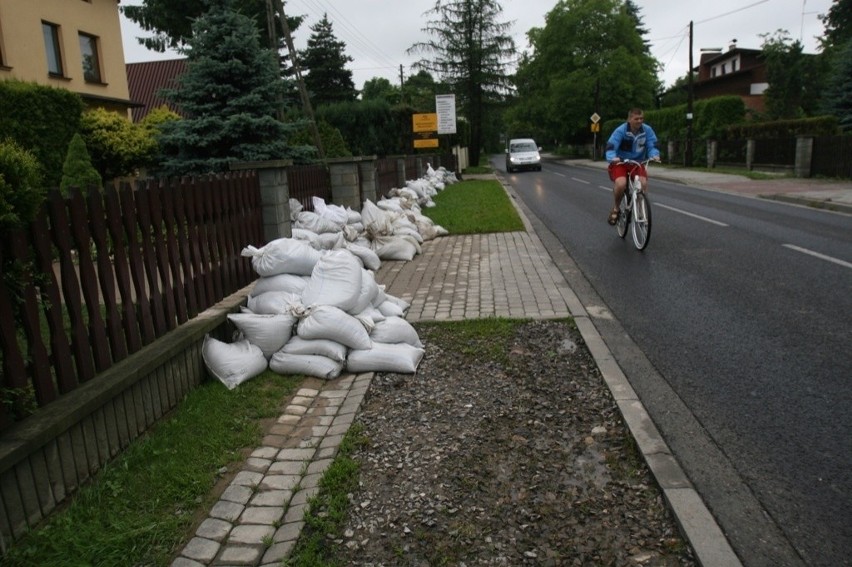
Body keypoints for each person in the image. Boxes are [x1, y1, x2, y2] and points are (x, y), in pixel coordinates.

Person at [604, 108, 661, 225]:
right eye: (636, 119)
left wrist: (654, 155)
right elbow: (611, 146)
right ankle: (616, 208)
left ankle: (640, 210)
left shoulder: (647, 130)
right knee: (621, 184)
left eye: (641, 118)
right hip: (621, 162)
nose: (640, 121)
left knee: (643, 183)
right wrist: (612, 157)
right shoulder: (621, 131)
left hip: (637, 162)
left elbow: (652, 144)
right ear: (629, 119)